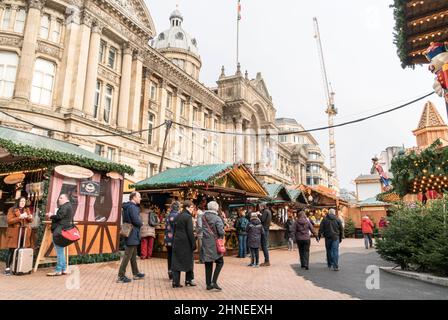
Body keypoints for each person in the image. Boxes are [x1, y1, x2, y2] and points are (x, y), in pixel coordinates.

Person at [117, 192, 145, 283]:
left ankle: (136, 273)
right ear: (133, 197)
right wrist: (141, 223)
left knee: (133, 255)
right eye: (139, 196)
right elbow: (135, 220)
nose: (140, 198)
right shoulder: (133, 207)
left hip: (130, 231)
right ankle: (121, 276)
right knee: (127, 255)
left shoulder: (127, 206)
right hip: (132, 232)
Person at [4, 197, 33, 276]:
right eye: (21, 201)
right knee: (12, 250)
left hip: (24, 233)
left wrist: (30, 217)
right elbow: (9, 221)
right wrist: (19, 217)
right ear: (18, 202)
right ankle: (7, 268)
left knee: (21, 250)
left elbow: (30, 221)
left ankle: (18, 267)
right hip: (15, 233)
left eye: (24, 201)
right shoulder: (12, 209)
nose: (23, 203)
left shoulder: (26, 209)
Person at [171, 200, 197, 288]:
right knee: (189, 261)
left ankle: (175, 282)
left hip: (177, 241)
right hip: (186, 242)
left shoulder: (177, 216)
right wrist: (194, 244)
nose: (193, 209)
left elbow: (174, 229)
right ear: (187, 207)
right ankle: (188, 280)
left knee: (176, 261)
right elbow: (190, 232)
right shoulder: (188, 217)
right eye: (191, 207)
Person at [47, 194, 74, 276]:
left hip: (59, 231)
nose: (59, 199)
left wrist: (51, 216)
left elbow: (59, 216)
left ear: (66, 199)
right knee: (61, 251)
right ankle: (64, 269)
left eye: (61, 198)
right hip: (62, 231)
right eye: (59, 197)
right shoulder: (68, 206)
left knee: (59, 251)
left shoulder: (65, 206)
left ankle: (58, 270)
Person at [201, 201, 225, 291]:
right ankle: (214, 281)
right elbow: (221, 232)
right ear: (216, 208)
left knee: (208, 263)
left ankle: (208, 284)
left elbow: (199, 228)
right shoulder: (217, 218)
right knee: (220, 262)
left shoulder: (203, 216)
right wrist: (223, 232)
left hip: (205, 242)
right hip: (215, 244)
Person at [164, 201, 180, 280]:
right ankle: (174, 272)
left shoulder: (168, 215)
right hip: (175, 239)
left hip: (167, 239)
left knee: (169, 256)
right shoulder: (178, 216)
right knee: (175, 256)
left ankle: (169, 271)